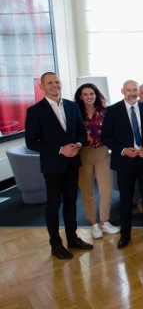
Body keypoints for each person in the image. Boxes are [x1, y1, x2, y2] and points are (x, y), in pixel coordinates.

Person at [25, 72, 93, 260]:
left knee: (71, 202)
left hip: (72, 163)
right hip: (53, 165)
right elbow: (31, 142)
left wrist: (78, 145)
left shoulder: (71, 106)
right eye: (50, 83)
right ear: (42, 87)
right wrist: (59, 150)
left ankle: (72, 239)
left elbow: (81, 131)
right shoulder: (35, 111)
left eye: (57, 82)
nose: (55, 85)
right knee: (54, 205)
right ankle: (56, 244)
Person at [102, 80, 143, 249]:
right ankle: (125, 234)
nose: (132, 93)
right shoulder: (113, 111)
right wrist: (123, 150)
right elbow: (106, 137)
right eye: (129, 90)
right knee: (126, 200)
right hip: (124, 162)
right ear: (122, 91)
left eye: (135, 90)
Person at [74, 83, 119, 239]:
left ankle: (104, 221)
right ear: (80, 97)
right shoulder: (75, 112)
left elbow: (112, 131)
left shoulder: (105, 112)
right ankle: (93, 224)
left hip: (102, 152)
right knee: (87, 191)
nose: (89, 97)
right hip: (82, 153)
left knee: (106, 190)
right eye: (85, 94)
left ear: (96, 94)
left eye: (91, 93)